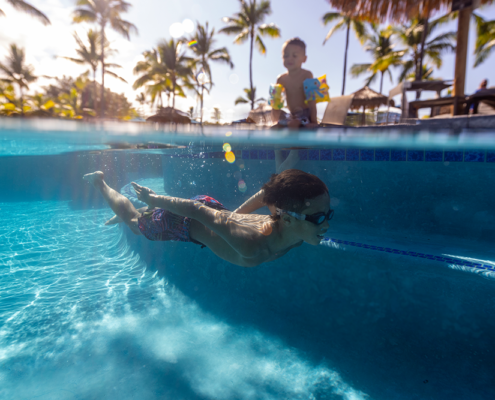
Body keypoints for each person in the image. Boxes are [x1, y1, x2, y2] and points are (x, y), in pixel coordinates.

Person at [83, 169, 332, 267]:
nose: (327, 225)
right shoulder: (252, 245)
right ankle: (100, 183)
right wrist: (155, 199)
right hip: (184, 221)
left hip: (213, 209)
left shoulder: (295, 234)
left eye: (328, 215)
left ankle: (145, 210)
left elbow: (269, 191)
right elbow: (195, 211)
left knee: (143, 215)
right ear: (287, 219)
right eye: (319, 218)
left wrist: (231, 218)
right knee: (134, 223)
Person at [271, 37, 318, 129]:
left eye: (294, 55)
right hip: (291, 115)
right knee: (278, 125)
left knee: (294, 123)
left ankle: (295, 142)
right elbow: (275, 103)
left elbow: (312, 100)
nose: (289, 59)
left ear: (304, 59)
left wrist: (313, 121)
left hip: (305, 115)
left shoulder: (307, 75)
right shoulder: (281, 79)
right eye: (286, 56)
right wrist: (275, 121)